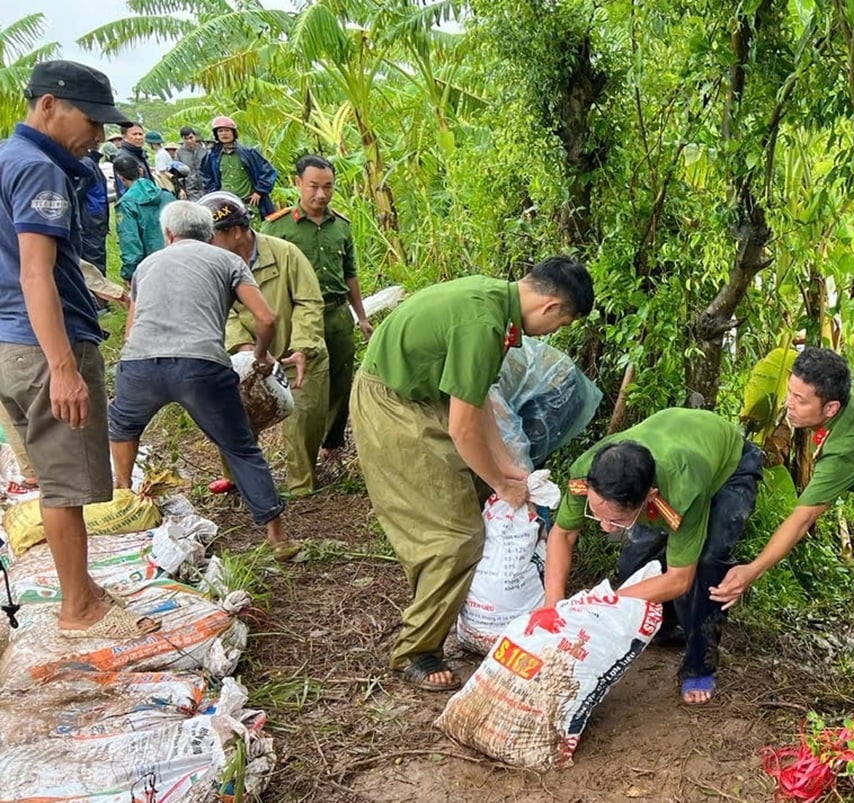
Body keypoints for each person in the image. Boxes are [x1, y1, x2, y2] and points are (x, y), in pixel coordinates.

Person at [350, 257, 593, 690]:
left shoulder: (495, 303)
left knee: (479, 496)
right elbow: (462, 428)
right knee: (453, 538)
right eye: (561, 324)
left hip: (423, 399)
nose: (554, 333)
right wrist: (502, 483)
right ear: (552, 307)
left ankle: (459, 610)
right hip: (394, 404)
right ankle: (416, 650)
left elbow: (475, 400)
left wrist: (507, 470)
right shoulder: (484, 324)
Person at [0, 59, 158, 639]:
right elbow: (36, 275)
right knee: (66, 486)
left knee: (50, 475)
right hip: (45, 345)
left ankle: (83, 589)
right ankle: (79, 610)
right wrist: (64, 369)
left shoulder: (6, 159)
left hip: (10, 343)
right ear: (47, 106)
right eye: (90, 120)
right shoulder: (40, 170)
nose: (97, 135)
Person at [108, 201, 299, 561]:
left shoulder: (146, 265)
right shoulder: (228, 261)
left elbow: (131, 330)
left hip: (140, 364)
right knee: (240, 446)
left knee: (122, 426)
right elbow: (266, 318)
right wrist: (260, 355)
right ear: (211, 234)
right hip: (201, 365)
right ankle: (278, 537)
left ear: (168, 235)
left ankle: (123, 495)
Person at [710, 348, 854, 669]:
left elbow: (802, 519)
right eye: (790, 392)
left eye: (800, 400)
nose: (788, 405)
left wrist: (751, 570)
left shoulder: (845, 452)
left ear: (831, 407)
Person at [543, 409, 763, 704]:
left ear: (650, 497)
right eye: (596, 513)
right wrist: (553, 606)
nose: (606, 527)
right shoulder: (587, 472)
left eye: (617, 521)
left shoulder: (683, 490)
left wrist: (605, 604)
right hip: (673, 444)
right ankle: (668, 627)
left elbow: (680, 577)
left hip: (728, 467)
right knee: (635, 564)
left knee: (709, 563)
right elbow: (563, 534)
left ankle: (699, 664)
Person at [198, 192, 328, 497]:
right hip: (242, 355)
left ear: (237, 232)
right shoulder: (210, 264)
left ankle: (301, 488)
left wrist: (302, 346)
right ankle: (240, 482)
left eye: (212, 236)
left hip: (294, 351)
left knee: (302, 420)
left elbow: (309, 301)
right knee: (233, 417)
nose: (206, 243)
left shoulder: (285, 253)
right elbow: (217, 311)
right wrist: (245, 349)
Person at [262, 155, 371, 466]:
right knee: (302, 385)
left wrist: (360, 317)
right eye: (313, 187)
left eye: (328, 187)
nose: (320, 194)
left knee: (340, 381)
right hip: (297, 318)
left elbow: (350, 273)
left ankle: (332, 443)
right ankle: (301, 453)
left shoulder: (342, 226)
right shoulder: (278, 227)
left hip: (336, 315)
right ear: (298, 184)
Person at [112, 154, 176, 283]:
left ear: (121, 178)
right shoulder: (168, 195)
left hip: (151, 268)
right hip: (178, 262)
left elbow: (130, 241)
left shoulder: (126, 204)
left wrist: (129, 274)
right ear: (141, 171)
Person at [200, 116, 278, 220]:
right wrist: (215, 193)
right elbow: (205, 175)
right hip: (225, 205)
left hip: (249, 203)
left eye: (227, 130)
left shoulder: (249, 153)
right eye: (220, 131)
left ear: (234, 133)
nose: (223, 134)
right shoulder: (212, 156)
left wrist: (259, 191)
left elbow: (268, 172)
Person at [77, 144, 111, 278]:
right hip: (96, 219)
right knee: (96, 258)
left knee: (92, 261)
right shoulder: (91, 163)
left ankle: (97, 296)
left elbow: (75, 194)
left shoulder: (85, 163)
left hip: (89, 221)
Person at [113, 122, 151, 198]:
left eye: (140, 134)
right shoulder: (123, 159)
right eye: (134, 134)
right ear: (124, 137)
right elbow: (123, 189)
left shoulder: (140, 154)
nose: (138, 137)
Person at [175, 127, 206, 199]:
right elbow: (178, 173)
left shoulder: (203, 149)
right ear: (182, 139)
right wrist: (181, 189)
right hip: (191, 189)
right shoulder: (179, 153)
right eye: (186, 138)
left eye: (191, 138)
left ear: (195, 137)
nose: (189, 141)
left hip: (205, 186)